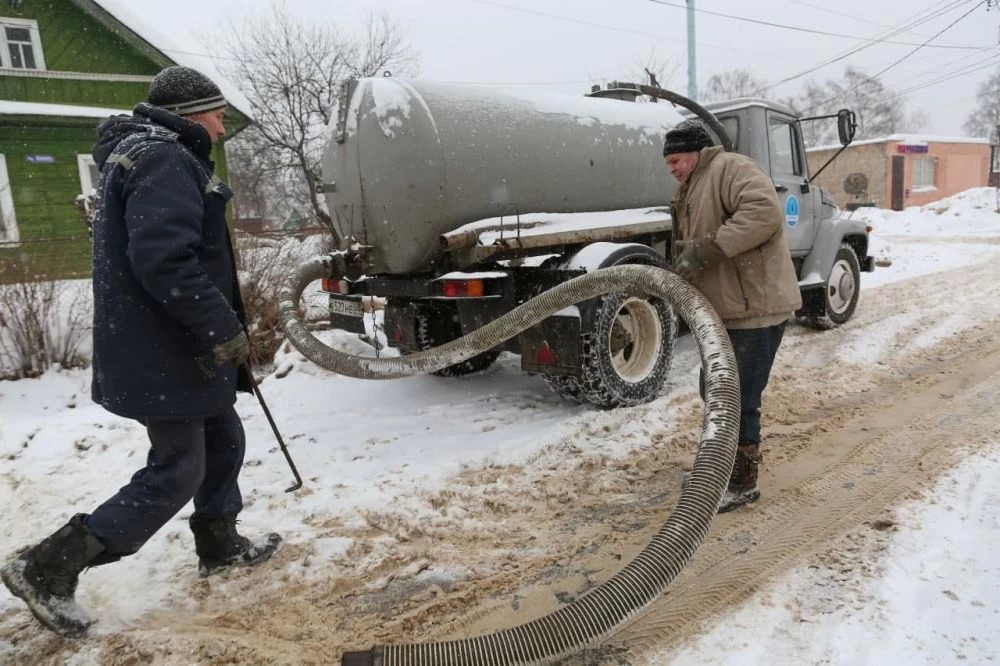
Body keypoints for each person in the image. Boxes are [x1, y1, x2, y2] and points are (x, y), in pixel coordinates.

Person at [1, 66, 281, 638]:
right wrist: (220, 325)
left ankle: (220, 544)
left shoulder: (147, 155)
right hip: (168, 350)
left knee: (224, 436)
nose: (222, 129)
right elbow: (166, 262)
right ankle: (47, 566)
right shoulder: (163, 158)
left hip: (168, 345)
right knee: (178, 469)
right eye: (218, 116)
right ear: (192, 114)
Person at [664, 119, 802, 513]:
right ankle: (717, 470)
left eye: (676, 159)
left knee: (739, 398)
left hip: (754, 308)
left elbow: (763, 214)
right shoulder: (690, 186)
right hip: (726, 310)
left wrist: (708, 249)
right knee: (716, 393)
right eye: (668, 163)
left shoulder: (731, 169)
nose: (672, 168)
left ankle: (742, 481)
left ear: (695, 151)